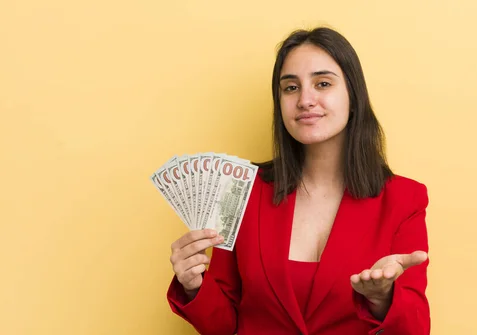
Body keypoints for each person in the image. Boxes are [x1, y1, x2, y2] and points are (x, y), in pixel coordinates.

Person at [167, 26, 431, 335]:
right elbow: (226, 326)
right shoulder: (239, 191)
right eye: (290, 87)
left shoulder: (405, 199)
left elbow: (415, 329)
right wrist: (194, 286)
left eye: (322, 83)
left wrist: (383, 299)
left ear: (354, 96)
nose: (305, 99)